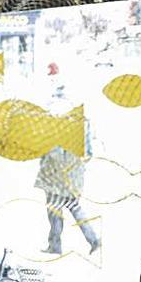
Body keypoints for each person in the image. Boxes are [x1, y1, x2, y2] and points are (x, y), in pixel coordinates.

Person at [34, 84, 100, 255]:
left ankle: (55, 245)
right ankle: (93, 239)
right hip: (73, 171)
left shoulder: (53, 118)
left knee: (54, 209)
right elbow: (88, 150)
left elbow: (47, 146)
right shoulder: (80, 120)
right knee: (73, 205)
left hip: (55, 172)